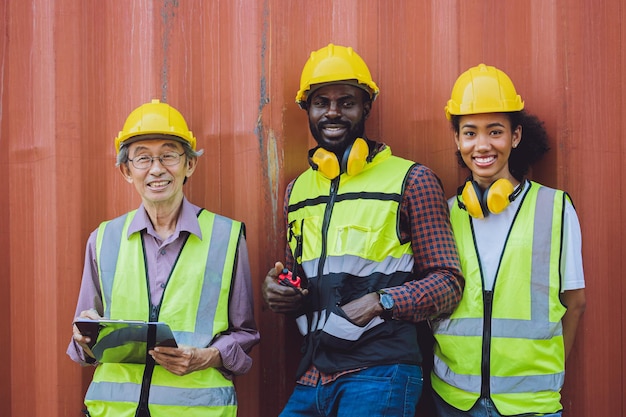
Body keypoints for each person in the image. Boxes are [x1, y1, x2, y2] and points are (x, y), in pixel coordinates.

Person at [261, 43, 464, 417]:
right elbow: (300, 286)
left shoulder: (411, 180)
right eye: (321, 102)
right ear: (307, 108)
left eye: (346, 101)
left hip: (380, 373)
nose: (333, 112)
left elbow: (448, 283)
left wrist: (380, 302)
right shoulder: (298, 190)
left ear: (366, 106)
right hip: (313, 374)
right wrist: (280, 292)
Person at [67, 99, 260, 417]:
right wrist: (84, 337)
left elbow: (246, 334)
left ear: (190, 165)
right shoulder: (104, 239)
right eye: (142, 158)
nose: (157, 169)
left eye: (169, 155)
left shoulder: (226, 237)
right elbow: (83, 341)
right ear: (126, 171)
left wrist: (206, 357)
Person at [431, 64, 587, 417]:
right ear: (457, 139)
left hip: (531, 406)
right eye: (469, 133)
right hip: (453, 400)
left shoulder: (555, 208)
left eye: (495, 131)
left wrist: (546, 377)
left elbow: (575, 304)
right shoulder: (446, 214)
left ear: (515, 136)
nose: (482, 145)